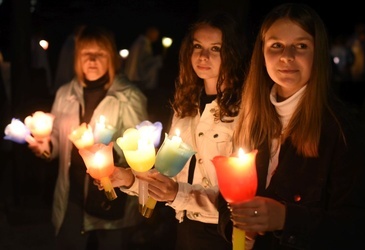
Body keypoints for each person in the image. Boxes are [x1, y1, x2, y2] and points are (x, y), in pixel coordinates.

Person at [217, 3, 365, 250]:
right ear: (262, 53)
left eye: (301, 46)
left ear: (318, 53)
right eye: (276, 45)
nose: (287, 56)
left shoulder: (341, 131)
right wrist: (237, 229)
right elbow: (227, 198)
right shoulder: (251, 119)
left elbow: (360, 229)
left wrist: (286, 218)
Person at [104, 11, 249, 250]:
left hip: (225, 233)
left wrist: (177, 194)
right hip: (186, 228)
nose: (203, 56)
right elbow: (169, 173)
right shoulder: (186, 107)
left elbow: (240, 194)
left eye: (215, 48)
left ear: (232, 53)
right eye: (197, 46)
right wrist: (130, 179)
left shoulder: (245, 111)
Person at [28, 25, 148, 250]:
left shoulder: (128, 97)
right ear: (77, 58)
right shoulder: (66, 93)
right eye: (86, 54)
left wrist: (103, 154)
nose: (92, 60)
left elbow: (141, 149)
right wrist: (46, 145)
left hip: (111, 200)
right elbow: (56, 137)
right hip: (72, 196)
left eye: (100, 54)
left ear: (111, 58)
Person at [124, 25, 163, 91]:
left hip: (134, 76)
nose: (156, 37)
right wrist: (157, 60)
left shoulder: (143, 42)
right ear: (149, 33)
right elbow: (143, 61)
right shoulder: (142, 43)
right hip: (136, 77)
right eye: (155, 34)